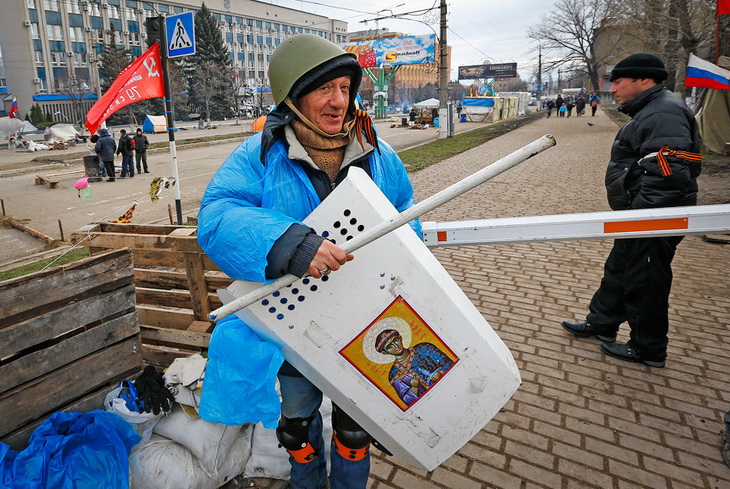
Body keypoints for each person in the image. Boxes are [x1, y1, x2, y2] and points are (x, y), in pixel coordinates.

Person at [197, 33, 420, 489]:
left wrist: (401, 261)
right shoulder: (260, 156)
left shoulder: (380, 154)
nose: (339, 101)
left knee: (356, 429)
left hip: (368, 320)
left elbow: (407, 215)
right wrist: (290, 244)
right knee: (297, 426)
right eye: (324, 89)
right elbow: (217, 218)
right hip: (297, 323)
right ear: (294, 97)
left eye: (345, 87)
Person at [561, 53, 701, 368]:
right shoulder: (653, 109)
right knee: (621, 269)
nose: (615, 88)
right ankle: (602, 322)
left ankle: (647, 348)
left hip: (654, 216)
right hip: (639, 215)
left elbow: (671, 173)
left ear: (643, 80)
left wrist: (643, 216)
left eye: (619, 81)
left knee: (646, 278)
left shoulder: (663, 113)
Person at [375, 329, 453, 406]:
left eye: (396, 340)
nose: (396, 346)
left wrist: (440, 372)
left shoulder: (424, 348)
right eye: (389, 346)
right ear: (384, 353)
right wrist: (414, 387)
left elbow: (448, 363)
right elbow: (408, 401)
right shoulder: (394, 374)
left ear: (401, 338)